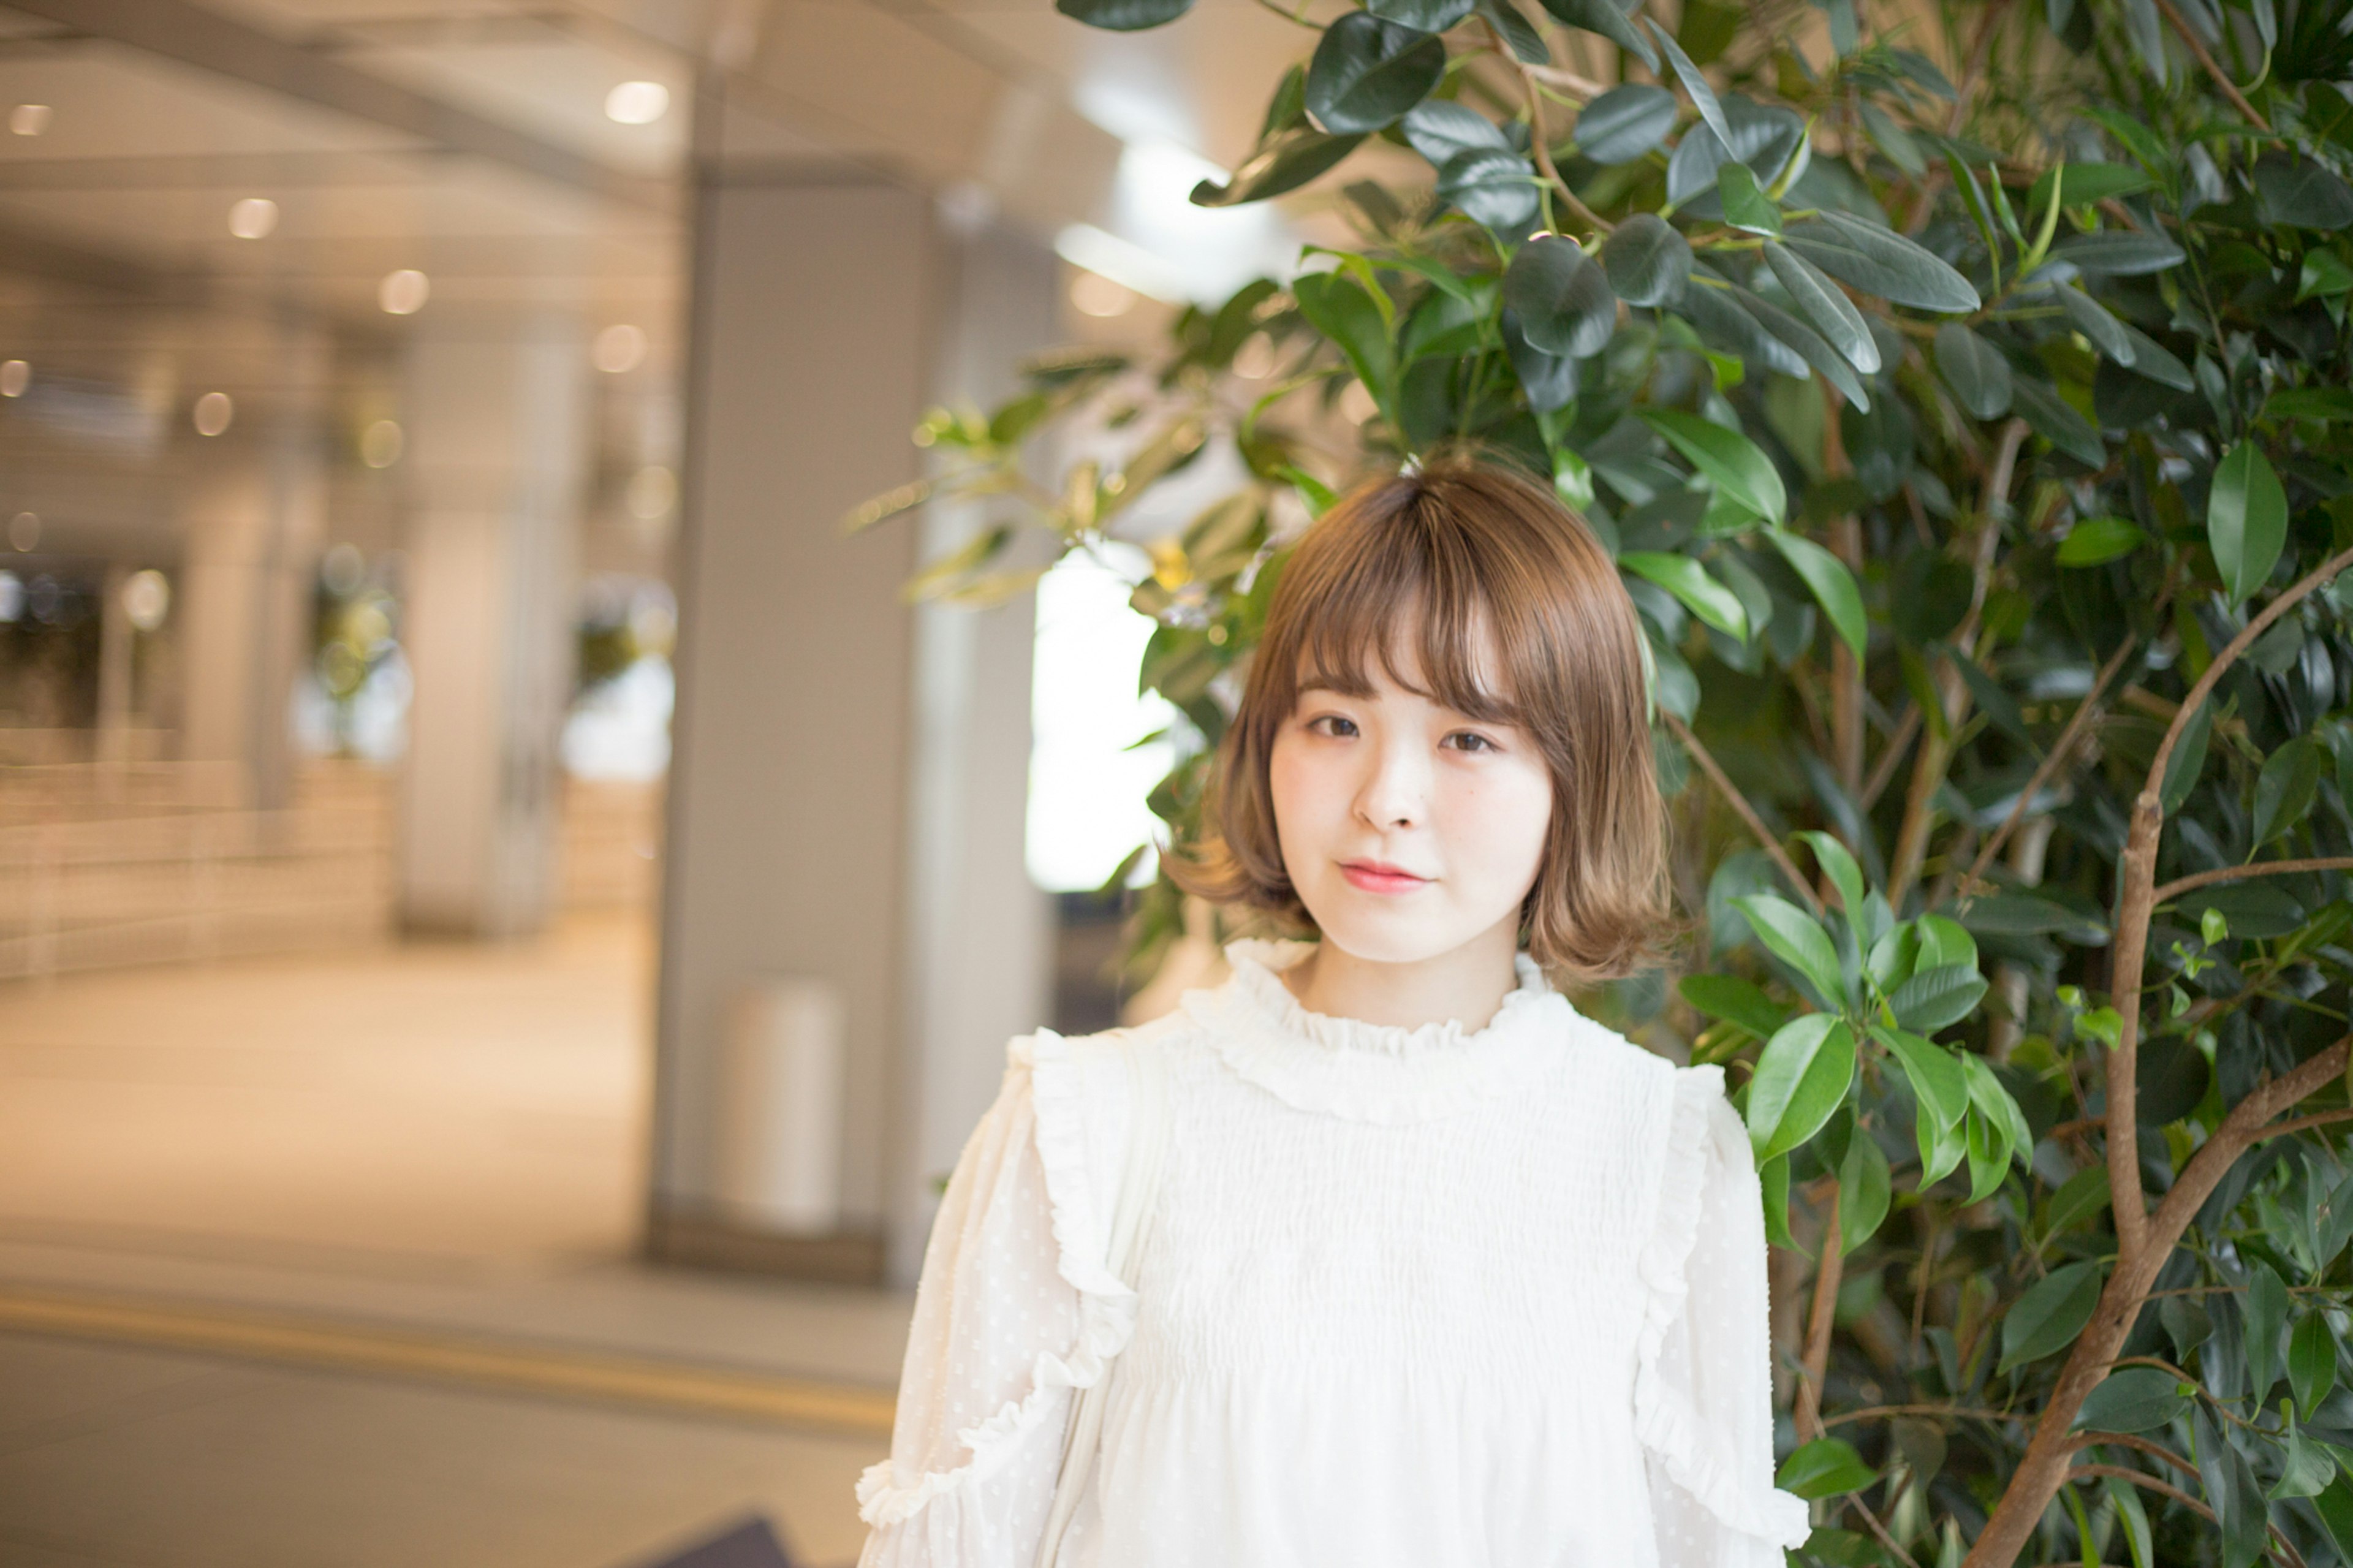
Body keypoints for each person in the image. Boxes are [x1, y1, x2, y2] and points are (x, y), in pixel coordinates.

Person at [854, 460, 1811, 1567]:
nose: (1385, 800)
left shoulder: (1665, 1157)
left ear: (1574, 778)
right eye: (1334, 722)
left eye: (1469, 737)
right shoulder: (1084, 1129)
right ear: (1267, 742)